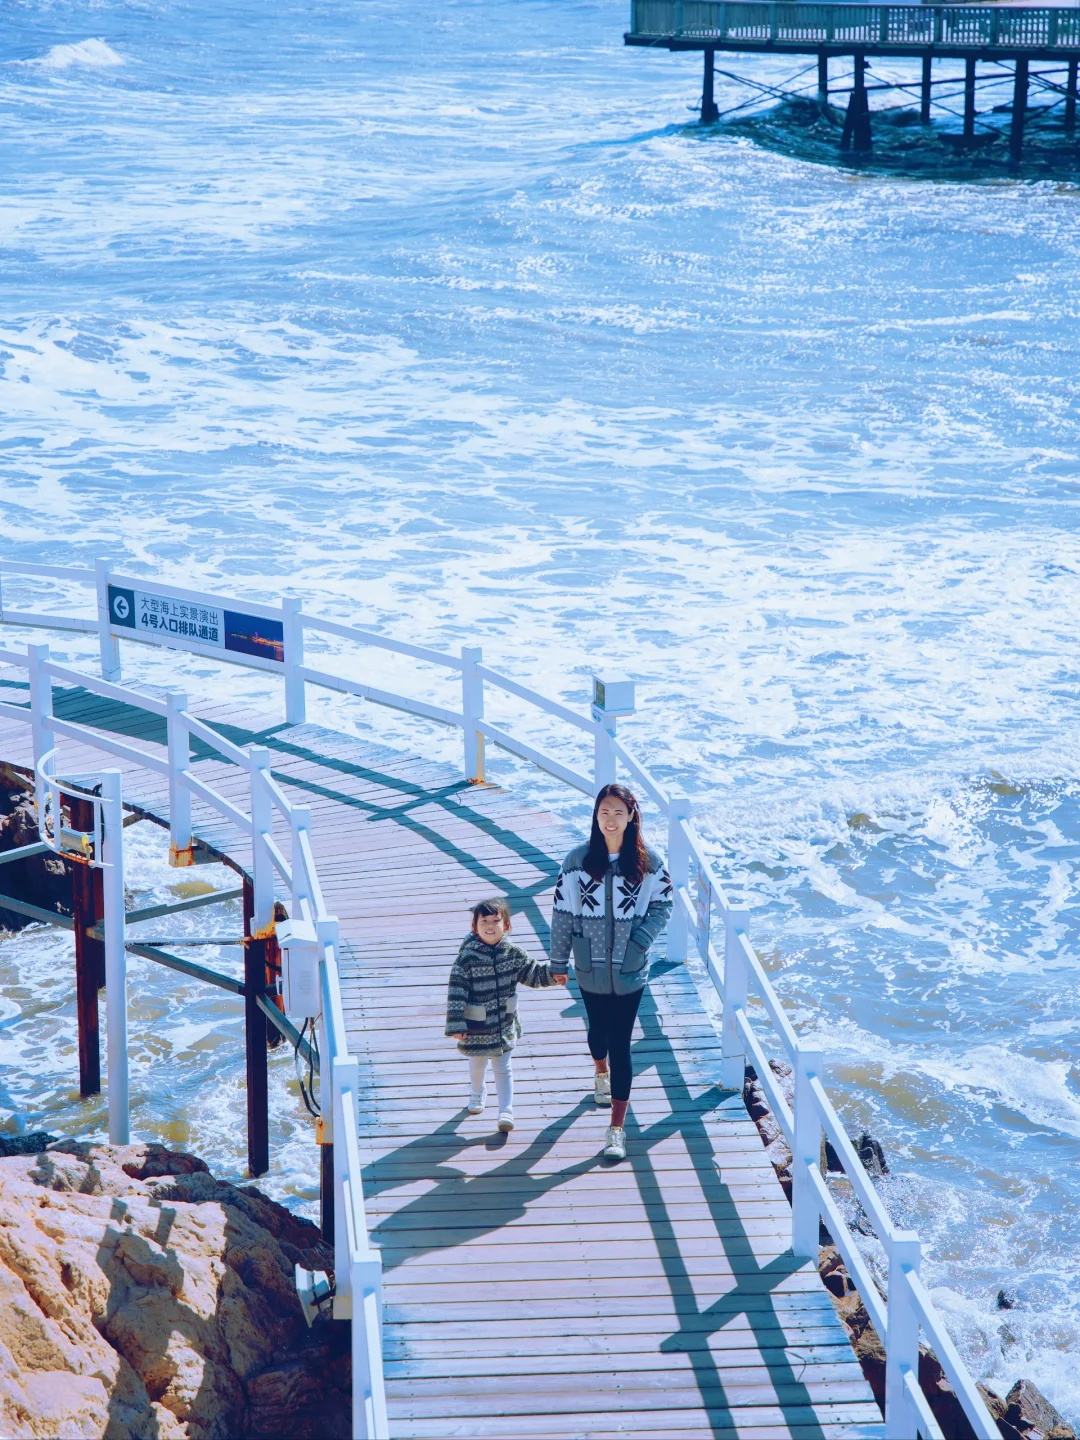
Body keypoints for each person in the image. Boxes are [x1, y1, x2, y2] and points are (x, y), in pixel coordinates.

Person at [549, 783, 672, 1161]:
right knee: (598, 1035)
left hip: (631, 970)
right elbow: (562, 913)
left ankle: (616, 1128)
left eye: (619, 812)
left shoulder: (648, 863)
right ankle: (598, 1068)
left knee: (621, 1042)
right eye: (604, 811)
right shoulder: (577, 861)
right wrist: (558, 961)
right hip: (589, 967)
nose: (611, 819)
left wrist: (639, 943)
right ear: (595, 815)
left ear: (632, 815)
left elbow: (663, 906)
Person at [445, 897, 567, 1132]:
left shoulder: (513, 953)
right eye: (484, 922)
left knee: (503, 1066)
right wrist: (456, 1024)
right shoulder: (467, 958)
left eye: (496, 921)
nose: (490, 926)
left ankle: (506, 1110)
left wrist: (554, 975)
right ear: (475, 926)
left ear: (507, 925)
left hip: (503, 1022)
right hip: (476, 1024)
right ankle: (477, 1091)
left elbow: (532, 972)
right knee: (478, 1062)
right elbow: (456, 992)